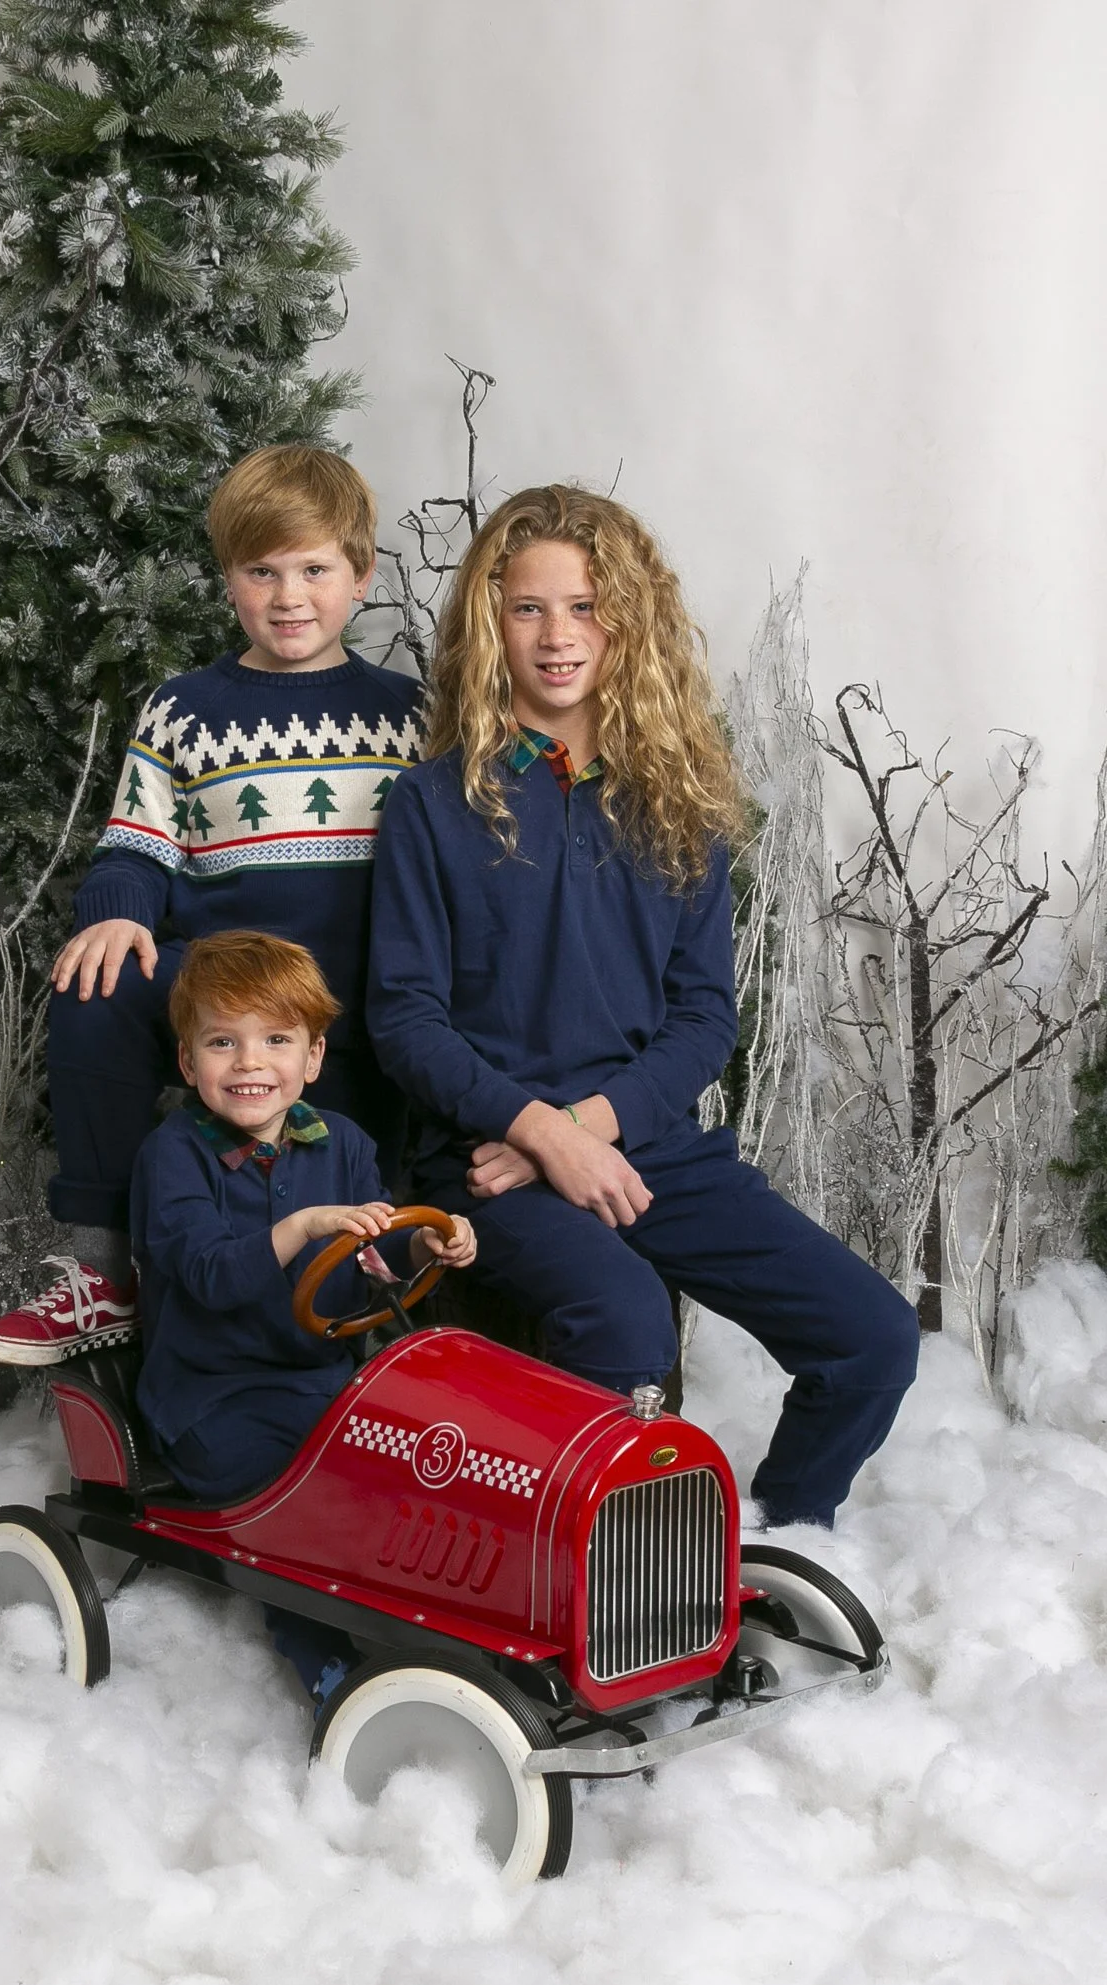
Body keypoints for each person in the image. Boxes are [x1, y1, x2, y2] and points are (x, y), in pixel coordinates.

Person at [366, 485, 919, 1529]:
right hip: (485, 1158)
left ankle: (776, 1536)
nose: (556, 635)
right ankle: (577, 1576)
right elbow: (405, 1019)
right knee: (623, 1326)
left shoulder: (678, 801)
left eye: (583, 606)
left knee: (873, 1338)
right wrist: (534, 1132)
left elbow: (704, 1019)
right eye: (526, 607)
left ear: (628, 620)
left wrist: (581, 1132)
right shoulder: (432, 804)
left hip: (644, 1140)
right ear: (489, 623)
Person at [0, 446, 423, 1367]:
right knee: (98, 981)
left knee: (356, 1182)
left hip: (358, 999)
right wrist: (118, 909)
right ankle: (102, 1272)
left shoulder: (410, 714)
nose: (289, 596)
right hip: (227, 981)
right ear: (228, 581)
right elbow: (137, 841)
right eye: (262, 572)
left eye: (314, 570)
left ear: (361, 577)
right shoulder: (184, 711)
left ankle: (397, 1293)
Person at [131, 929, 476, 1697]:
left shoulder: (343, 1145)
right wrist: (301, 1226)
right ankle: (322, 1661)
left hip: (323, 1382)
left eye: (276, 1039)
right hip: (212, 1398)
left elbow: (371, 1264)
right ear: (189, 1063)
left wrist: (428, 1245)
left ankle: (455, 1627)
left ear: (313, 1058)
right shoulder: (173, 1155)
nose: (250, 1062)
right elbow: (208, 1274)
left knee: (428, 1466)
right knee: (298, 1510)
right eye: (223, 1042)